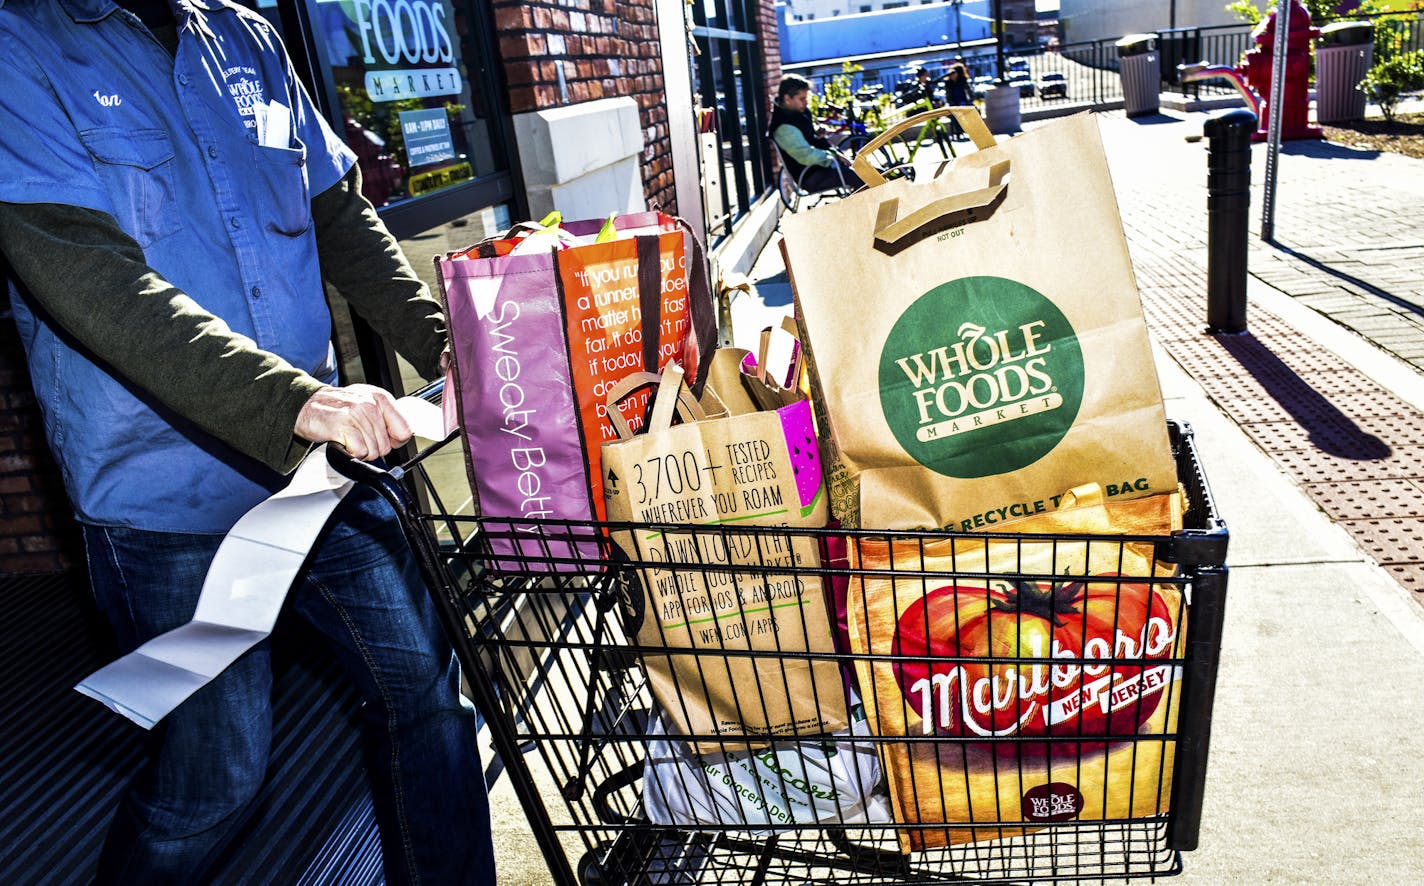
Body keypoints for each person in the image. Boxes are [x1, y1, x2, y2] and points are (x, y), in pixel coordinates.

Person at [0, 1, 495, 883]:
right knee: (214, 779)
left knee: (427, 703)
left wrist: (450, 340)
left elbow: (336, 213)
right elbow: (85, 271)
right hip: (166, 497)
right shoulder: (20, 44)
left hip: (321, 476)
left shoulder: (245, 35)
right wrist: (296, 401)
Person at [767, 74, 864, 196]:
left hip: (820, 169)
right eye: (802, 99)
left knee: (870, 173)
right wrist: (834, 156)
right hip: (811, 176)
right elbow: (806, 155)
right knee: (862, 177)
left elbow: (807, 135)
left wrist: (817, 133)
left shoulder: (797, 113)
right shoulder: (783, 127)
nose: (806, 102)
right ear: (787, 98)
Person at [941, 63, 975, 139]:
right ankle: (958, 132)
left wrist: (969, 101)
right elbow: (948, 96)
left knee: (971, 111)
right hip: (954, 103)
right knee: (954, 114)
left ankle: (972, 131)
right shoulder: (948, 83)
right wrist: (952, 103)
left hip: (963, 101)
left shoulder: (963, 80)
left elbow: (969, 92)